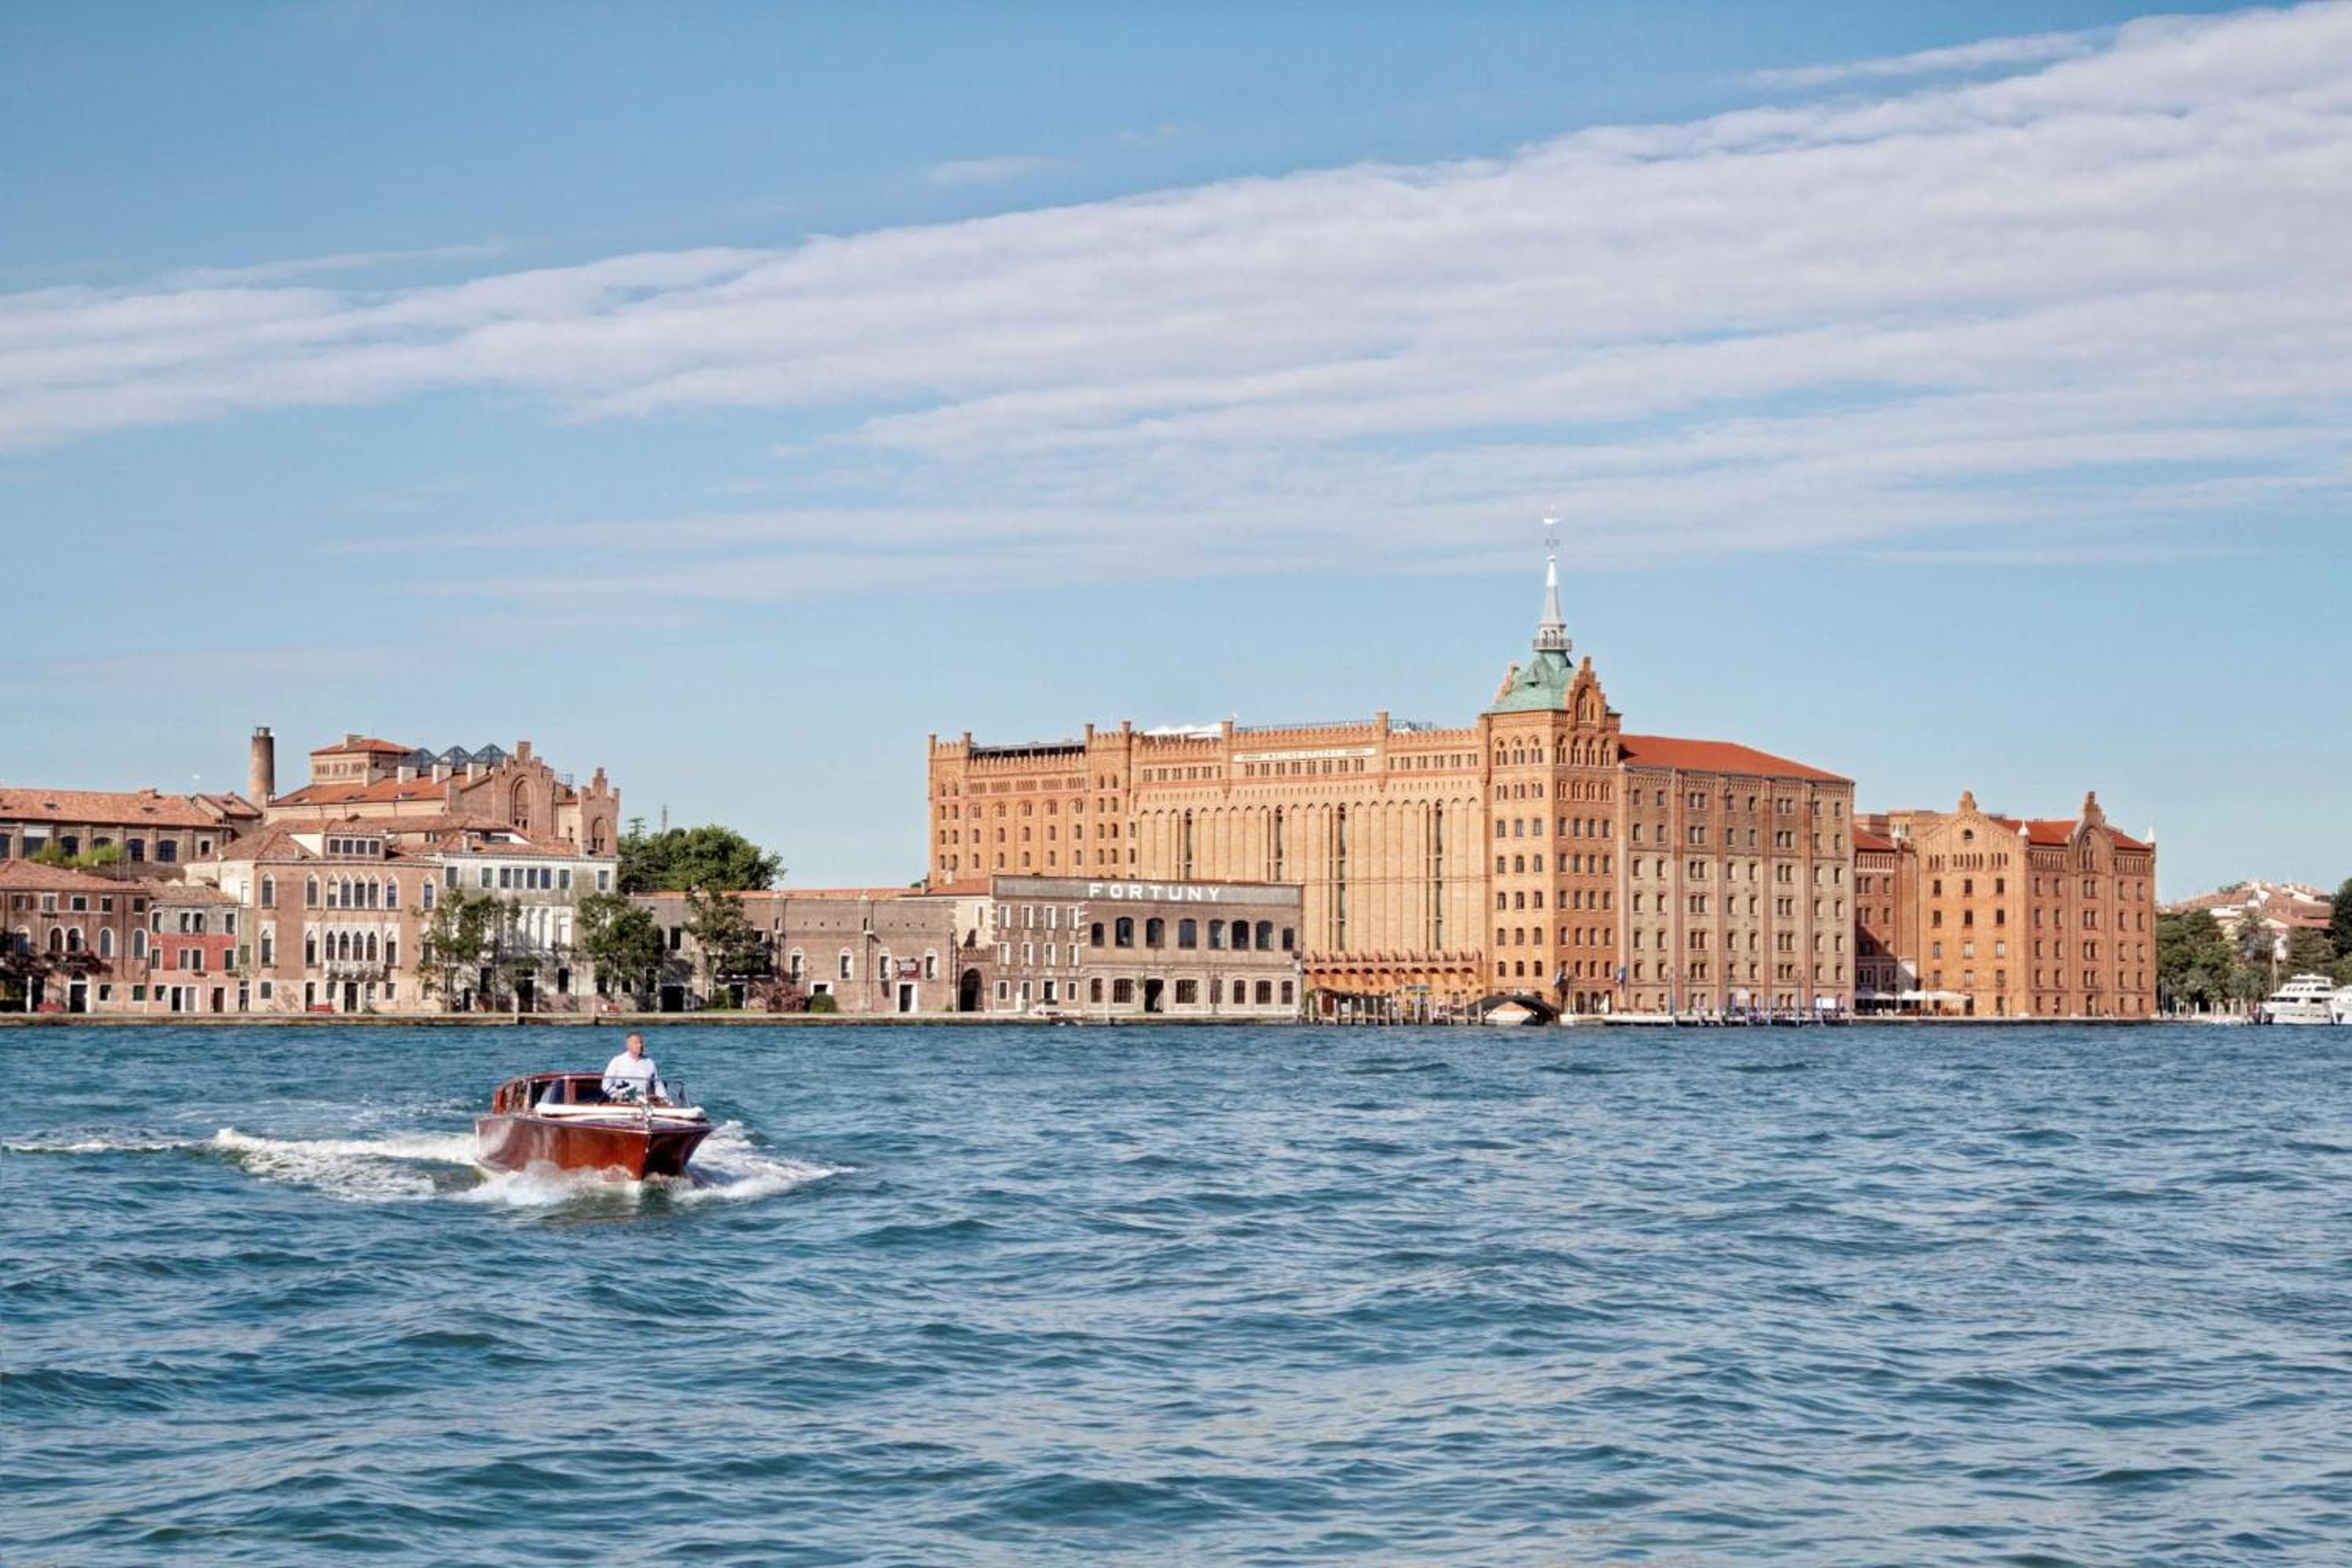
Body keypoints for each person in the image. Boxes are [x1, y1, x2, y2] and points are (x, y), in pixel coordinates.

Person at [601, 1032, 667, 1104]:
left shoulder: (650, 1063)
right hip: (624, 1103)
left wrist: (664, 1100)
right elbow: (606, 1084)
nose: (640, 1045)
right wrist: (615, 1094)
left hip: (645, 1104)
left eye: (641, 1043)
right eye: (636, 1043)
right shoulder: (617, 1061)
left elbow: (658, 1084)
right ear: (628, 1045)